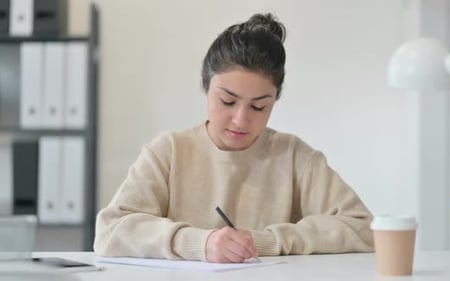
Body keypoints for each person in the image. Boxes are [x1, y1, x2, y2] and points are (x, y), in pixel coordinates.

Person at [94, 13, 374, 263]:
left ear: (275, 98)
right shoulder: (169, 151)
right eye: (228, 101)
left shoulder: (294, 157)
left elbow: (365, 229)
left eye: (259, 106)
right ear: (205, 80)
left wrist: (268, 241)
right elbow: (110, 231)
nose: (241, 120)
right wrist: (198, 243)